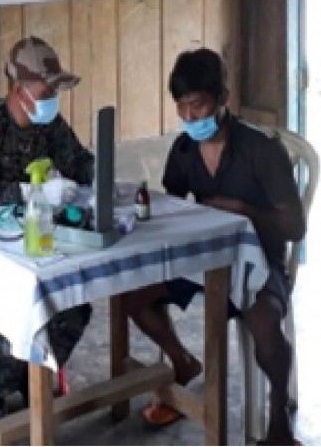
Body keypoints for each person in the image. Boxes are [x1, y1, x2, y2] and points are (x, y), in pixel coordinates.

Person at [120, 48, 304, 445]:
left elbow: (294, 226)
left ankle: (278, 420)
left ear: (222, 97)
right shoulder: (184, 150)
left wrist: (244, 211)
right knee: (131, 298)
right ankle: (182, 362)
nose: (190, 117)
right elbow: (171, 203)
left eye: (198, 105)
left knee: (266, 328)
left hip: (256, 259)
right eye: (181, 107)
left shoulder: (261, 150)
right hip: (202, 257)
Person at [0, 35, 94, 420]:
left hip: (38, 246)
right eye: (46, 91)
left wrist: (99, 181)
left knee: (74, 309)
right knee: (14, 317)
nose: (52, 99)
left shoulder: (50, 125)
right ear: (19, 89)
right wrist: (30, 192)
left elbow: (80, 162)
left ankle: (31, 378)